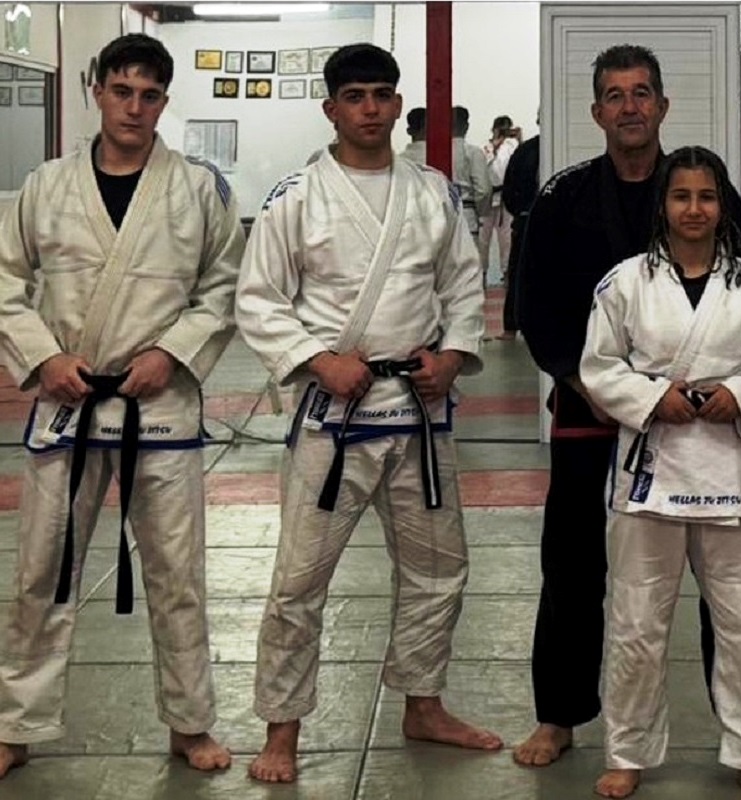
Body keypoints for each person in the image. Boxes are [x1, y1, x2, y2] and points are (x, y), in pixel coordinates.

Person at [235, 43, 502, 784]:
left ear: (397, 104)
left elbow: (461, 284)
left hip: (417, 410)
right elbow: (258, 298)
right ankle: (282, 727)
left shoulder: (432, 192)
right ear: (331, 108)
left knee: (438, 569)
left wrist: (453, 357)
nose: (371, 109)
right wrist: (318, 361)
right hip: (334, 414)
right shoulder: (296, 197)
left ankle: (424, 704)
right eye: (355, 96)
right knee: (299, 580)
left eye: (382, 95)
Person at [514, 43, 741, 769]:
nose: (629, 107)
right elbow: (536, 308)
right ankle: (560, 713)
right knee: (572, 566)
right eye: (615, 95)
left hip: (700, 424)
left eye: (641, 93)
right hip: (591, 412)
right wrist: (588, 384)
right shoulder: (563, 198)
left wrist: (727, 392)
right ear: (597, 111)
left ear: (661, 105)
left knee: (725, 581)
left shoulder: (705, 190)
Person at [0, 33, 243, 778]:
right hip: (68, 399)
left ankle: (190, 723)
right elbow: (6, 282)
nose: (134, 107)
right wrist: (43, 357)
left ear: (164, 102)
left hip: (157, 402)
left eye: (149, 95)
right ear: (96, 91)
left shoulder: (196, 189)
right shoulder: (45, 185)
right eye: (122, 91)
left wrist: (172, 352)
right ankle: (15, 724)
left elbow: (222, 287)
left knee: (177, 575)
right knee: (41, 571)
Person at [582, 146, 741, 800]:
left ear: (722, 204)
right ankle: (628, 751)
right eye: (682, 196)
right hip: (651, 472)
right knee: (636, 621)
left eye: (707, 196)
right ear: (664, 205)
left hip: (727, 469)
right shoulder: (624, 282)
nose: (695, 209)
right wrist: (653, 399)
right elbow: (599, 367)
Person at [498, 119, 541, 340]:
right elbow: (510, 187)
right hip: (527, 219)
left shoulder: (525, 150)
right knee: (518, 274)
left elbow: (509, 188)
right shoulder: (526, 150)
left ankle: (511, 327)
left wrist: (519, 212)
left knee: (518, 275)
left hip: (525, 218)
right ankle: (512, 325)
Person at [478, 114, 520, 281]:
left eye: (505, 129)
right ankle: (481, 274)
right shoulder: (486, 148)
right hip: (488, 198)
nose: (502, 132)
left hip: (505, 198)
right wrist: (494, 149)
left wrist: (518, 139)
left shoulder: (513, 146)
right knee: (483, 240)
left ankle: (507, 274)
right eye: (499, 129)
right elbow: (484, 169)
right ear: (493, 130)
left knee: (506, 240)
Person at [452, 105, 493, 257]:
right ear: (466, 126)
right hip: (467, 215)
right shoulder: (473, 153)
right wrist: (480, 213)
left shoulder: (435, 151)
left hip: (439, 218)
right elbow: (483, 190)